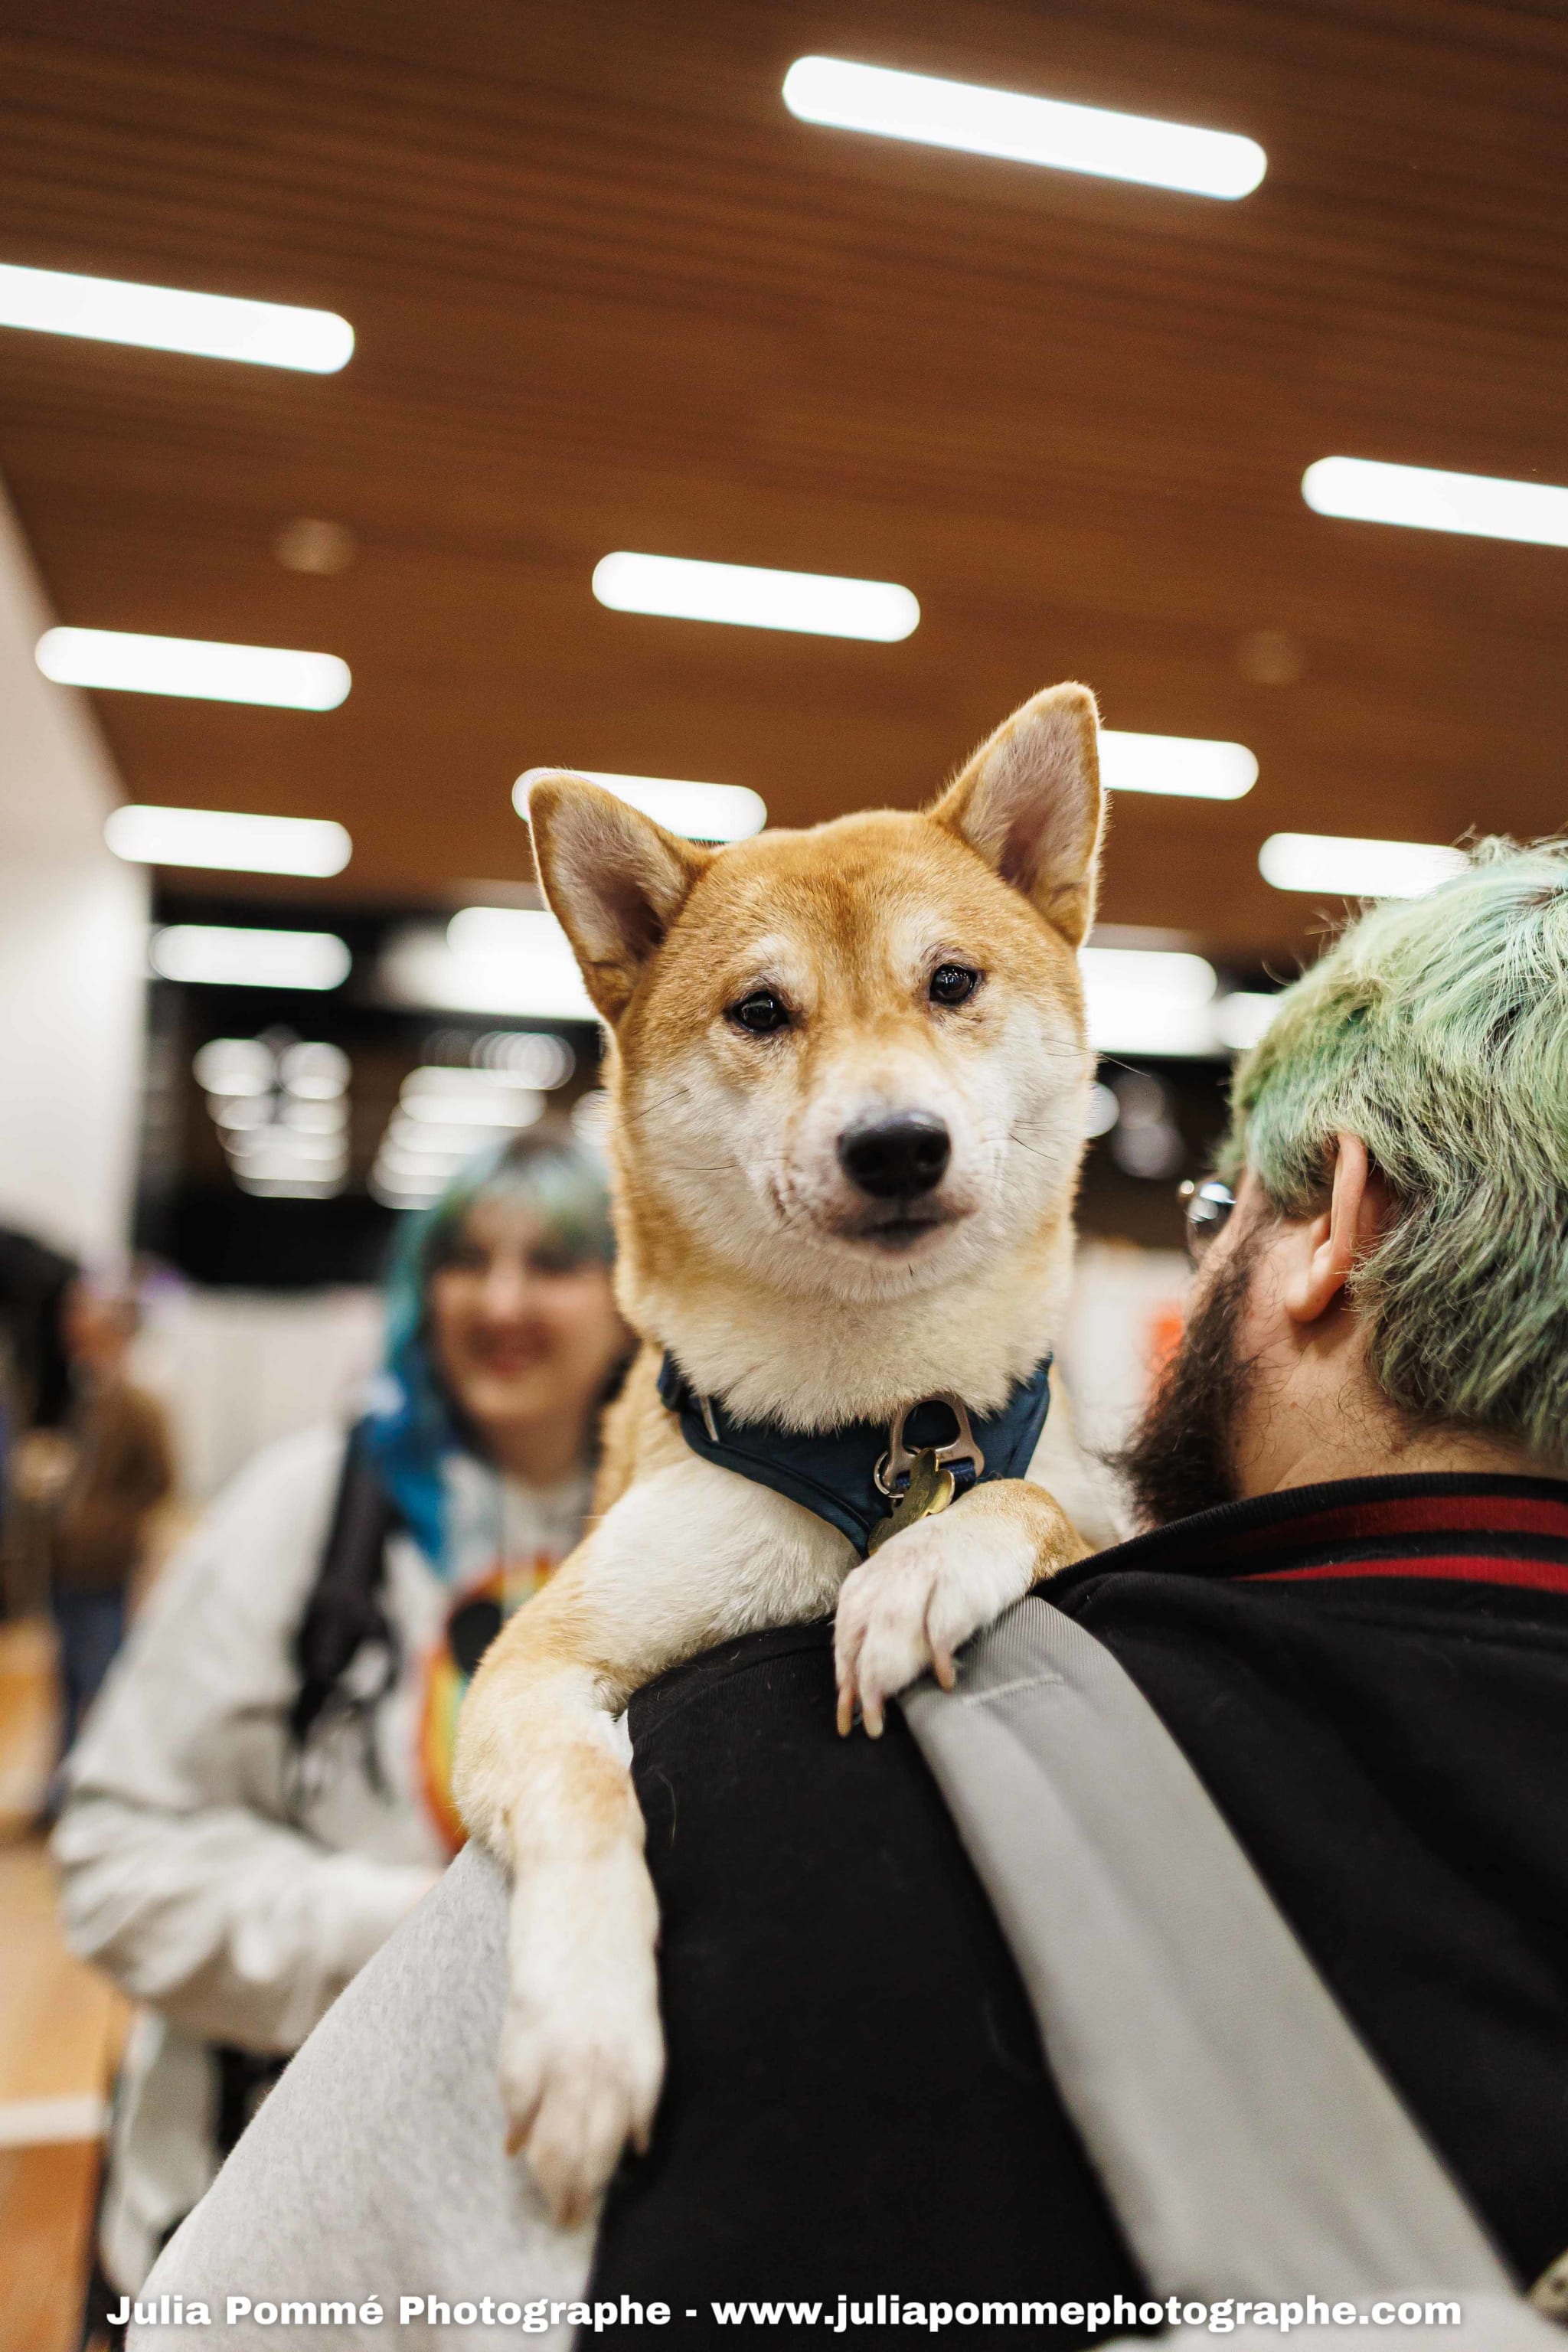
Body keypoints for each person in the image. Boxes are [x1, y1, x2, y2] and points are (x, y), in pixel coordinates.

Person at [131, 841, 1568, 2346]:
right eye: (766, 1016)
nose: (885, 1094)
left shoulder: (724, 1783)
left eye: (1222, 1208)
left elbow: (241, 2313)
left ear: (1329, 1227)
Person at [54, 1127, 627, 2331]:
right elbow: (115, 1863)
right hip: (252, 2237)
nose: (504, 1301)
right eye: (468, 1260)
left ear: (635, 1292)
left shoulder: (678, 1550)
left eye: (557, 1262)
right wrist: (426, 1945)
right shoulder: (303, 1513)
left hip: (532, 2269)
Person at [15, 1272, 175, 1765]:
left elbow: (161, 1480)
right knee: (66, 1682)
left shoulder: (139, 1403)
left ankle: (105, 1779)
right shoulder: (82, 1399)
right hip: (67, 1561)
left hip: (105, 1565)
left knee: (103, 1680)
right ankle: (62, 1786)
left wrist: (113, 1524)